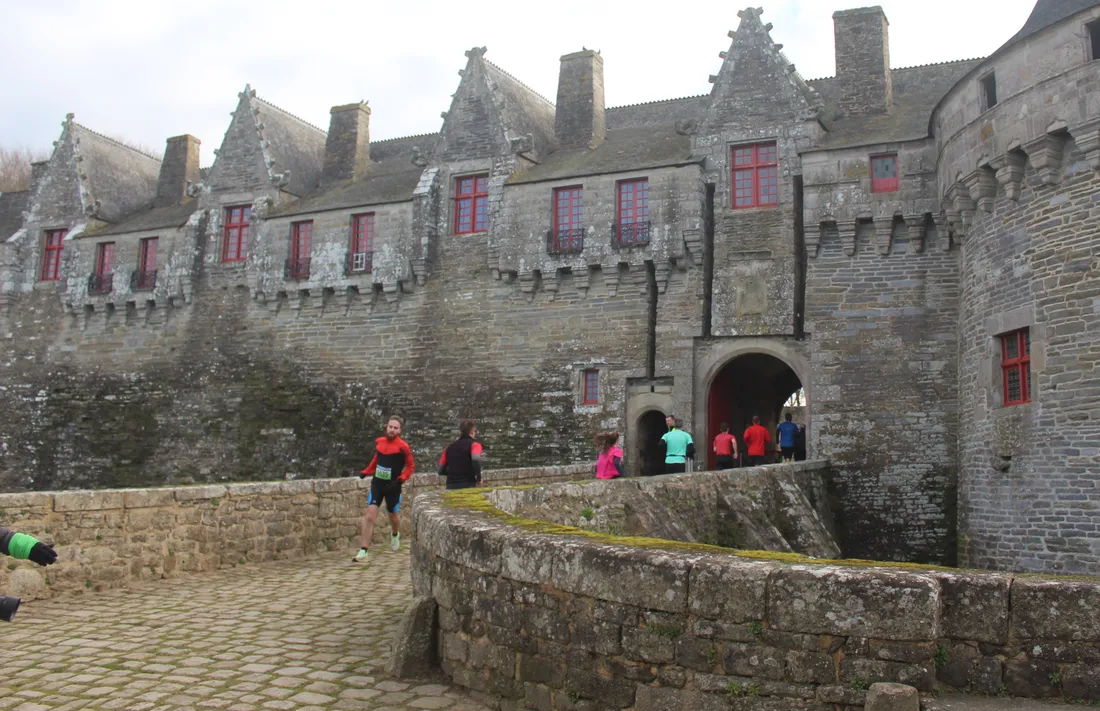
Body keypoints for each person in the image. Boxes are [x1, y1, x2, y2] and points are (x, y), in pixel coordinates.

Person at [354, 415, 415, 563]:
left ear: (399, 431)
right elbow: (376, 461)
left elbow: (411, 466)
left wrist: (402, 479)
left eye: (395, 428)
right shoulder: (380, 443)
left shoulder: (403, 447)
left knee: (393, 515)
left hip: (393, 485)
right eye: (390, 427)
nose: (392, 430)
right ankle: (363, 550)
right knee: (370, 516)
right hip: (378, 484)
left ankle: (395, 534)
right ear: (386, 427)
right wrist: (366, 471)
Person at [438, 419, 484, 490]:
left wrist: (454, 473)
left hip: (451, 486)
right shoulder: (475, 445)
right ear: (471, 432)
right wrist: (478, 478)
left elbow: (440, 470)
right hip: (468, 484)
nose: (475, 433)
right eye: (475, 431)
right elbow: (475, 459)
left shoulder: (448, 448)